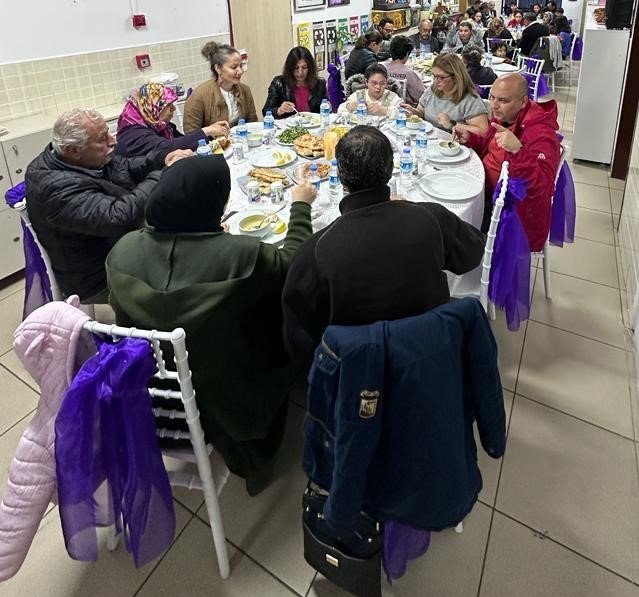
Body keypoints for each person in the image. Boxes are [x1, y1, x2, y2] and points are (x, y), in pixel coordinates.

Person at [106, 155, 317, 495]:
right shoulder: (244, 255)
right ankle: (258, 452)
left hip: (153, 392)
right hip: (233, 393)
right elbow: (294, 264)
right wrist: (301, 207)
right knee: (299, 328)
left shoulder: (122, 251)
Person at [281, 126, 486, 364]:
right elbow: (472, 253)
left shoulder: (315, 251)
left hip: (357, 371)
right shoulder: (430, 217)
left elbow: (299, 341)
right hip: (430, 353)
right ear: (390, 171)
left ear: (342, 178)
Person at [24, 109, 190, 302]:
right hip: (100, 275)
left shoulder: (87, 159)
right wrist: (162, 173)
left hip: (124, 245)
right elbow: (118, 217)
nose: (113, 141)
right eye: (102, 139)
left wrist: (162, 159)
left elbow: (126, 167)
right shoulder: (54, 187)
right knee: (192, 259)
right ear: (73, 151)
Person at [454, 73, 560, 250]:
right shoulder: (506, 116)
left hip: (508, 212)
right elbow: (492, 148)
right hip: (484, 189)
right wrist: (471, 139)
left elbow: (542, 187)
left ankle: (470, 271)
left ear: (523, 102)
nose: (494, 105)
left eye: (502, 100)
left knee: (452, 224)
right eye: (492, 97)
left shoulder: (541, 134)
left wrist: (518, 150)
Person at [116, 82, 228, 158]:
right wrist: (206, 131)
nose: (173, 109)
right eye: (169, 106)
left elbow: (184, 141)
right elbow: (167, 147)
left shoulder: (159, 125)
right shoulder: (133, 134)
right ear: (155, 108)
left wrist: (212, 135)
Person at [403, 53, 488, 134]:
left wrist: (452, 124)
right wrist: (413, 112)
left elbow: (483, 131)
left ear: (456, 77)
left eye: (441, 77)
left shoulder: (470, 99)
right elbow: (421, 112)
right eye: (434, 76)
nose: (435, 81)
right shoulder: (433, 90)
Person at [184, 42, 257, 132]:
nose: (240, 71)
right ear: (218, 68)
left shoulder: (245, 90)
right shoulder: (200, 95)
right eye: (234, 67)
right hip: (213, 144)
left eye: (241, 66)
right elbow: (191, 133)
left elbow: (252, 123)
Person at [263, 46, 328, 119]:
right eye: (296, 68)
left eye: (304, 67)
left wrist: (329, 107)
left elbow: (326, 109)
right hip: (288, 128)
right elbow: (266, 112)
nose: (300, 72)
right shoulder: (279, 83)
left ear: (310, 68)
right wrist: (279, 110)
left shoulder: (320, 84)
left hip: (314, 126)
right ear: (290, 68)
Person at [383, 35, 426, 105]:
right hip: (403, 107)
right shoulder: (409, 73)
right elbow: (421, 96)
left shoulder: (381, 68)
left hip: (383, 103)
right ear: (407, 54)